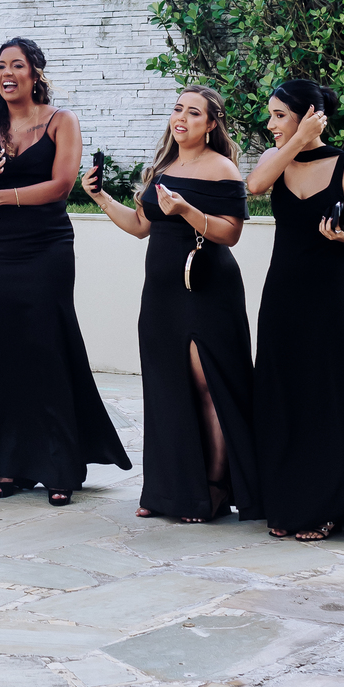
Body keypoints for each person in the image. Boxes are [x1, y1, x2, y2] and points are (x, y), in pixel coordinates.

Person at [0, 37, 131, 506]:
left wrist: (2, 195)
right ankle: (8, 463)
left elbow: (60, 186)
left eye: (17, 65)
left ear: (35, 73)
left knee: (45, 348)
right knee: (0, 350)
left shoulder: (61, 121)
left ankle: (59, 465)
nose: (7, 73)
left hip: (45, 248)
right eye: (0, 65)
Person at [83, 86, 258, 524]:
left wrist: (185, 211)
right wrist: (101, 197)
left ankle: (214, 489)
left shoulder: (222, 168)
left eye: (194, 112)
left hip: (207, 290)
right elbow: (140, 225)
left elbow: (231, 233)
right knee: (167, 388)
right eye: (178, 108)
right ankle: (167, 491)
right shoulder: (162, 166)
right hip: (161, 294)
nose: (181, 117)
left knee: (207, 386)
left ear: (212, 123)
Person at [247, 77, 344, 542]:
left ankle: (328, 507)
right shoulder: (274, 160)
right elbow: (254, 186)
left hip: (330, 297)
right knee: (282, 395)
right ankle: (286, 502)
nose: (270, 124)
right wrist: (297, 139)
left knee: (326, 396)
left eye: (279, 115)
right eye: (270, 114)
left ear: (308, 114)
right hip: (282, 296)